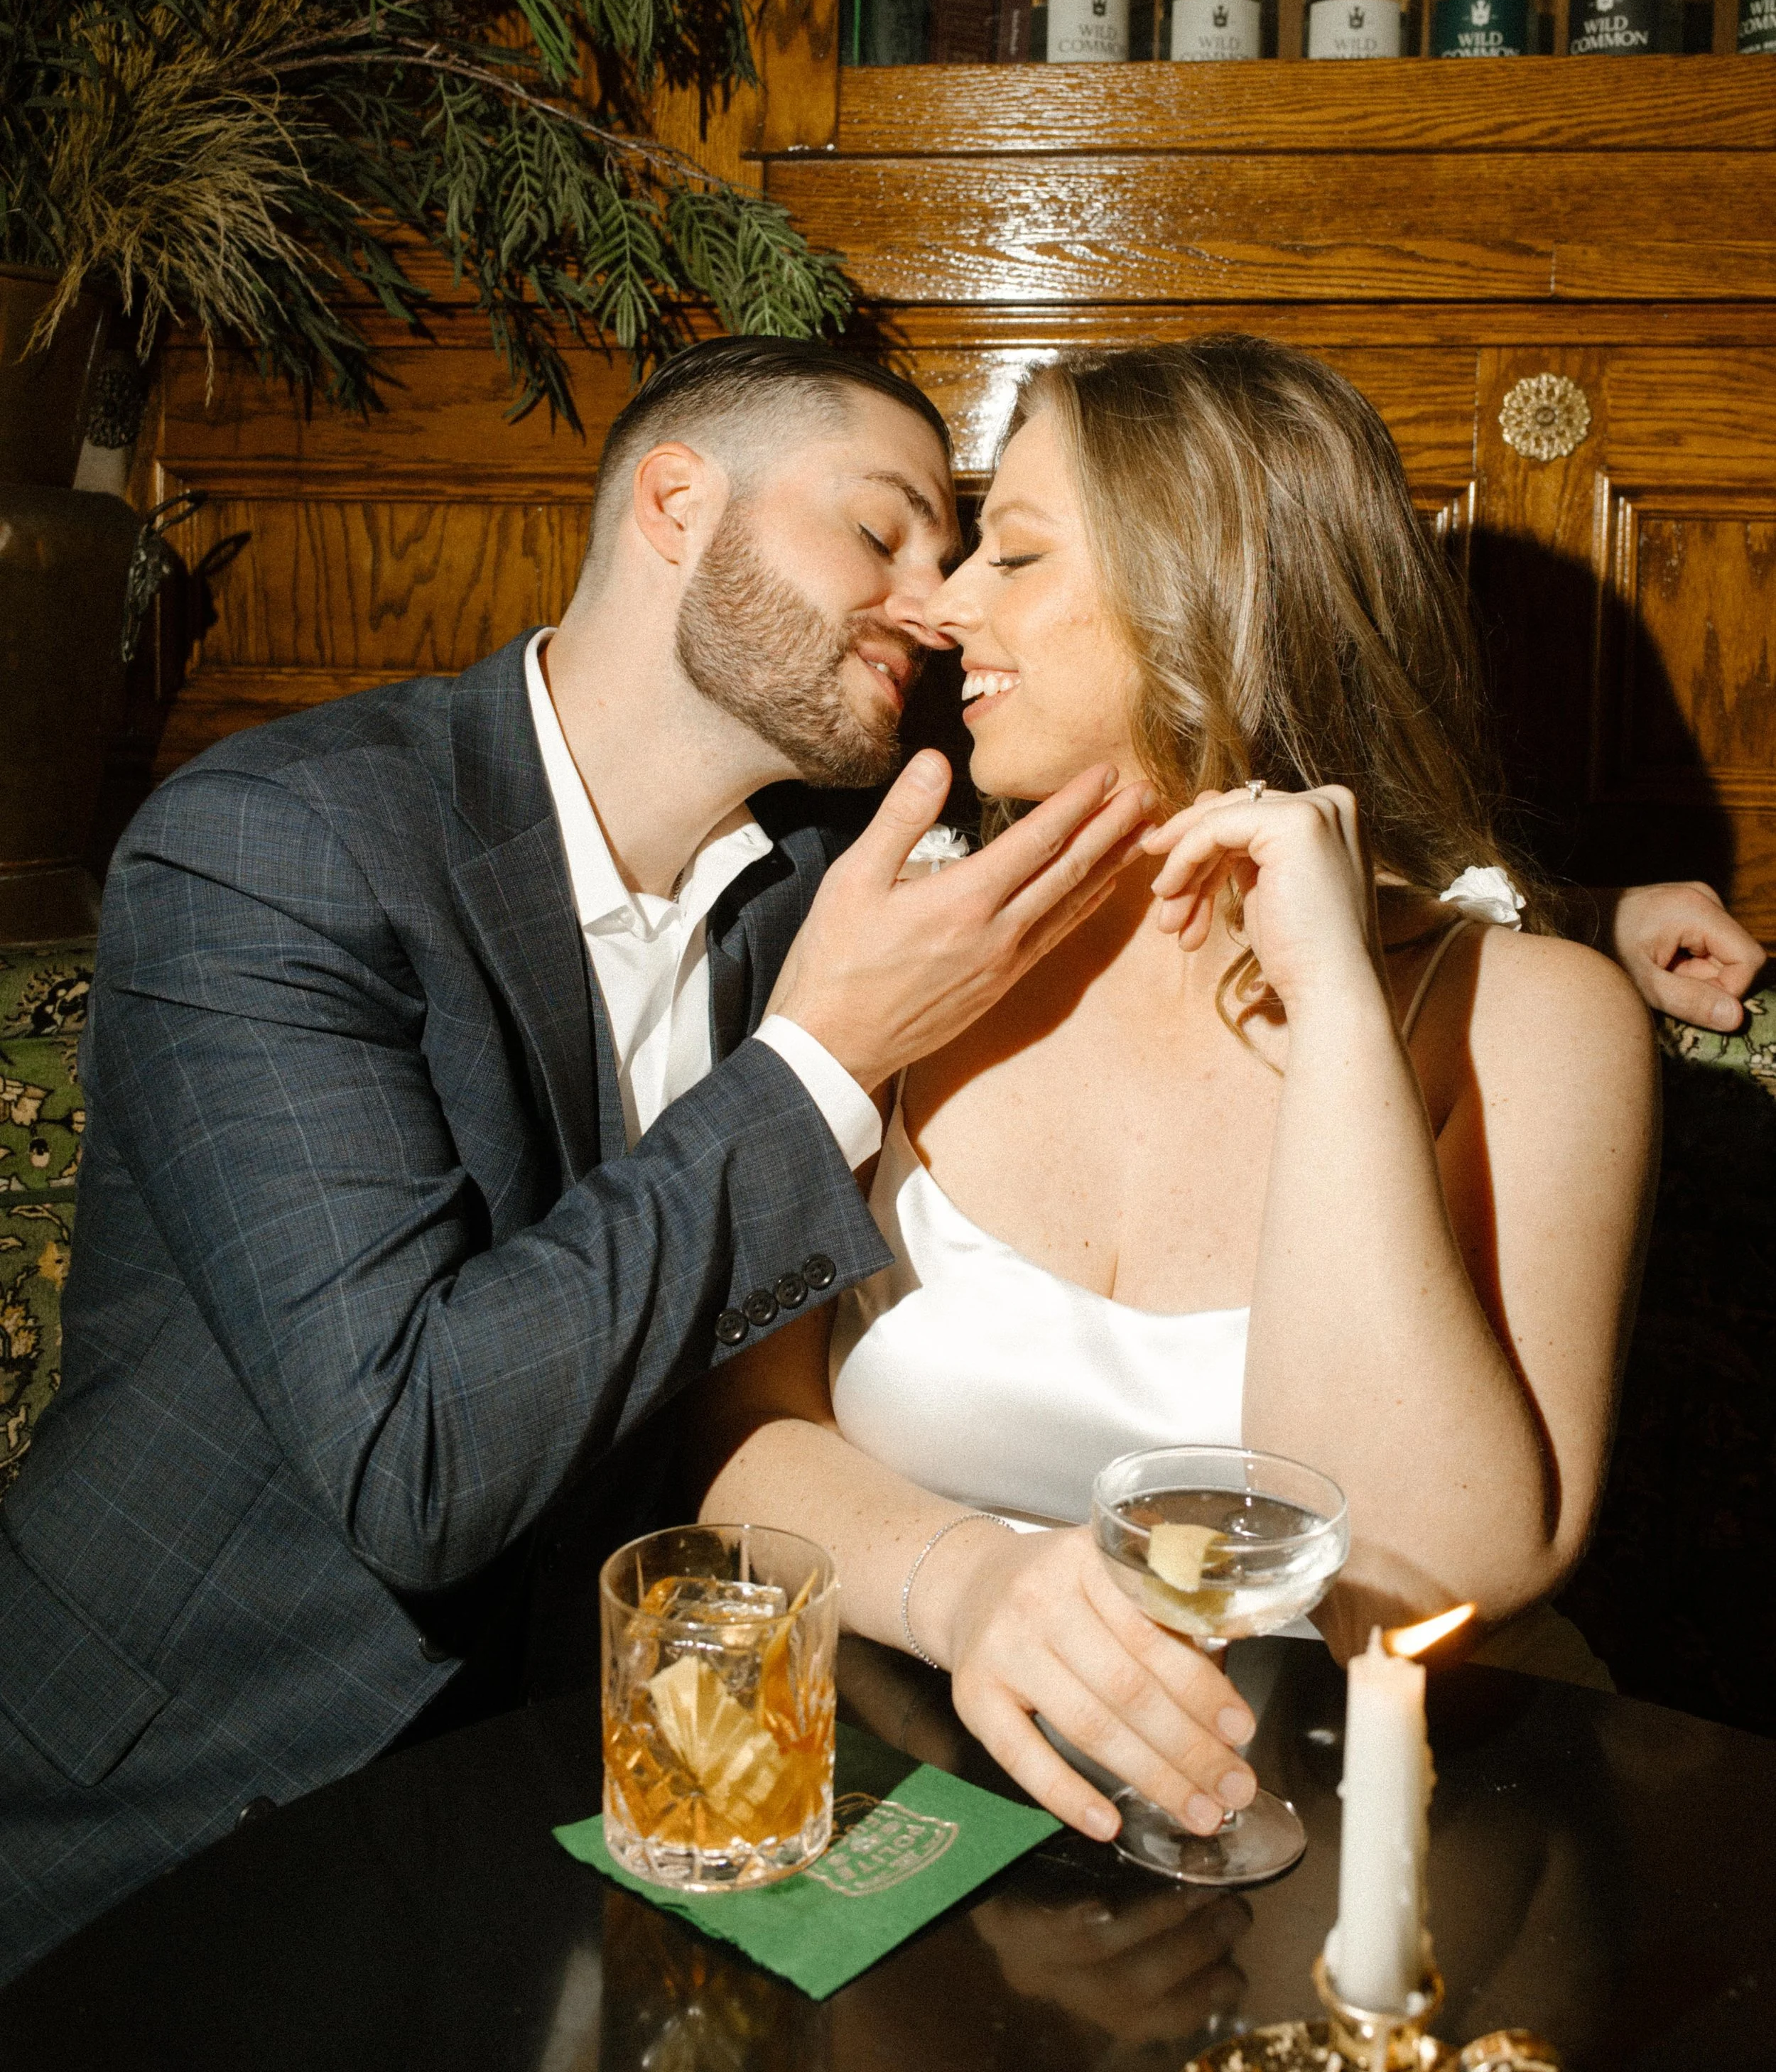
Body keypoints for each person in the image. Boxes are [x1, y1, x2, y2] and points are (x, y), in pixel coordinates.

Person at [0, 338, 1158, 1983]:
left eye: (965, 554)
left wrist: (1551, 926)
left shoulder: (834, 857)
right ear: (676, 505)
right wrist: (819, 1059)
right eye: (885, 533)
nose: (938, 600)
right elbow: (411, 1462)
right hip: (177, 1809)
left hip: (601, 1798)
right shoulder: (276, 845)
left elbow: (1170, 788)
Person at [695, 336, 1745, 1854]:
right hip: (912, 1802)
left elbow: (1425, 1566)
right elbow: (726, 1432)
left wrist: (1332, 1020)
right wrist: (970, 1588)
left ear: (1212, 598)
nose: (945, 604)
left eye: (1017, 551)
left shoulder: (1536, 1019)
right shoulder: (888, 941)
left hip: (1392, 1830)